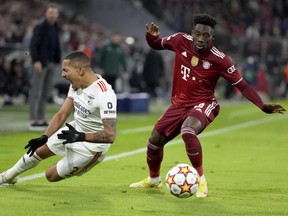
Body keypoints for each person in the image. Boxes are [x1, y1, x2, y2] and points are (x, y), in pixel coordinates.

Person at [129, 14, 286, 198]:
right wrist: (152, 37)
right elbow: (157, 44)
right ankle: (153, 180)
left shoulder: (220, 60)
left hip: (204, 103)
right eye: (198, 34)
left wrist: (262, 106)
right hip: (179, 104)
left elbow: (242, 85)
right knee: (154, 141)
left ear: (213, 38)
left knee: (188, 131)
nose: (201, 39)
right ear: (192, 33)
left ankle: (201, 180)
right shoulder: (180, 40)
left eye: (206, 35)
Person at [0, 51, 117, 185]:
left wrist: (80, 137)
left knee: (50, 176)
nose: (63, 74)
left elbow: (110, 135)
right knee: (38, 150)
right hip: (73, 131)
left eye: (66, 70)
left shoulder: (105, 94)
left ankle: (71, 160)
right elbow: (62, 114)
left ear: (80, 70)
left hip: (91, 148)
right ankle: (8, 176)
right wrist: (45, 137)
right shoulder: (76, 85)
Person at [29, 2, 62, 131]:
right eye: (50, 13)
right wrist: (35, 60)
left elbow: (56, 45)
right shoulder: (40, 27)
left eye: (54, 13)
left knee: (45, 93)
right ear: (46, 13)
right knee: (35, 92)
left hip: (52, 63)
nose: (52, 15)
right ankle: (33, 119)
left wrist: (58, 60)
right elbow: (33, 46)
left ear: (57, 15)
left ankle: (41, 118)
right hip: (41, 63)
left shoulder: (56, 27)